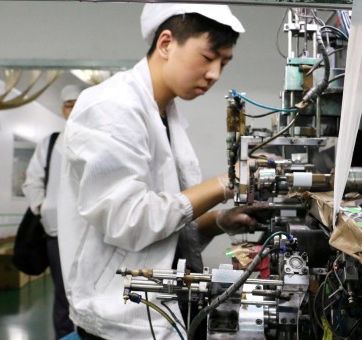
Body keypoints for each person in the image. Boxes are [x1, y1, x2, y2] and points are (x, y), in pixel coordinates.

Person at [56, 3, 264, 339]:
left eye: (223, 63)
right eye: (208, 57)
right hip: (119, 313)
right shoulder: (111, 107)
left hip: (161, 304)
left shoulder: (167, 113)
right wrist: (225, 183)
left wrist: (219, 221)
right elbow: (130, 220)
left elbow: (169, 222)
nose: (214, 74)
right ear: (166, 43)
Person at [22, 84, 80, 339]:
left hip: (90, 232)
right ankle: (64, 336)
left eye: (78, 103)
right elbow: (32, 180)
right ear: (63, 109)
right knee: (62, 294)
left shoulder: (98, 140)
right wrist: (43, 208)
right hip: (55, 231)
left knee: (89, 292)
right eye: (69, 104)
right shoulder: (50, 142)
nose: (73, 109)